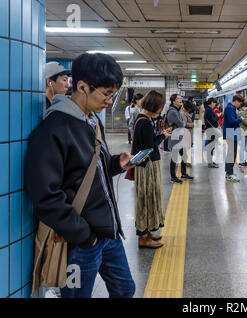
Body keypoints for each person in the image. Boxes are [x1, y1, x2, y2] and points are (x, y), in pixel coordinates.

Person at [24, 53, 136, 298]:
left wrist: (117, 163)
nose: (109, 101)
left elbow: (90, 169)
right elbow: (45, 194)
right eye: (106, 93)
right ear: (82, 86)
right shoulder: (54, 129)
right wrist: (85, 236)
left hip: (109, 233)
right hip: (80, 242)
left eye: (113, 94)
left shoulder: (92, 121)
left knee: (125, 289)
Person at [132, 91, 171, 249]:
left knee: (146, 198)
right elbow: (149, 146)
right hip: (147, 167)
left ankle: (146, 232)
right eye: (160, 106)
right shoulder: (145, 122)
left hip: (144, 165)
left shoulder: (141, 119)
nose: (161, 109)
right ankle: (143, 237)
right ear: (154, 106)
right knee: (146, 199)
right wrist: (163, 136)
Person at [167, 94, 194, 184]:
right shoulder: (173, 111)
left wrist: (182, 122)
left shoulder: (176, 110)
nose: (180, 100)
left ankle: (183, 173)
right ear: (173, 101)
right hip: (175, 137)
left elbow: (181, 123)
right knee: (174, 158)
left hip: (179, 137)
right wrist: (183, 123)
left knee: (184, 156)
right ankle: (173, 177)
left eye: (180, 98)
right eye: (178, 99)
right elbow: (181, 124)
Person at [223, 94, 245, 182]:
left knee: (231, 153)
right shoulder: (230, 108)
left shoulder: (231, 108)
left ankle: (229, 172)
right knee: (232, 154)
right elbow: (232, 121)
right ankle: (229, 174)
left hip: (231, 133)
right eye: (239, 103)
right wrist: (240, 119)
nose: (239, 105)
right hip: (231, 133)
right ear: (235, 101)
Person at [204, 97, 220, 168]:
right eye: (214, 103)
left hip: (209, 129)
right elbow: (212, 120)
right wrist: (217, 116)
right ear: (211, 102)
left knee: (211, 146)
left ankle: (210, 161)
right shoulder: (209, 110)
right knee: (211, 146)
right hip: (211, 130)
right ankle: (210, 163)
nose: (215, 104)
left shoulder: (207, 109)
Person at [180, 100, 196, 168]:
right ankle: (185, 163)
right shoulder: (183, 113)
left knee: (186, 149)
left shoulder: (185, 112)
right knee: (185, 150)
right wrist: (192, 124)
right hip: (185, 133)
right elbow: (184, 124)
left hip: (188, 133)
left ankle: (186, 162)